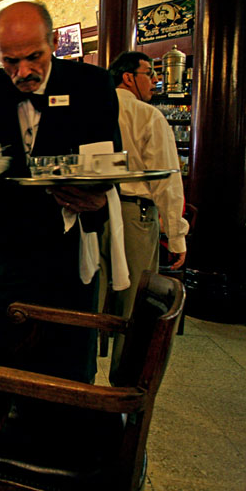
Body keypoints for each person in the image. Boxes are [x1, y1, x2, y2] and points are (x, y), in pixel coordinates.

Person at [0, 1, 120, 387]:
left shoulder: (91, 85)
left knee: (69, 372)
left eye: (34, 57)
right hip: (9, 255)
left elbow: (108, 164)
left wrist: (100, 200)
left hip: (70, 255)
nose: (23, 72)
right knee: (0, 371)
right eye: (9, 62)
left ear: (53, 42)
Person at [101, 51, 189, 383]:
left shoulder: (95, 109)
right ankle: (123, 385)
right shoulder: (147, 115)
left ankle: (75, 380)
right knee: (134, 304)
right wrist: (176, 233)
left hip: (94, 211)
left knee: (90, 297)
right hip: (134, 215)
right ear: (128, 77)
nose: (155, 81)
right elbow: (166, 179)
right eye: (149, 73)